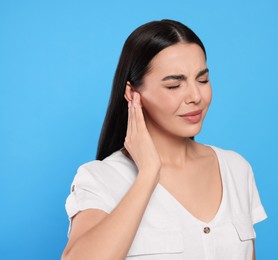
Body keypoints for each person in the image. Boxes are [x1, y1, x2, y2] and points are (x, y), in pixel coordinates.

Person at [62, 19, 267, 260]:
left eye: (202, 80)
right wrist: (148, 173)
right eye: (174, 85)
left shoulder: (236, 168)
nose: (195, 96)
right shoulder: (101, 178)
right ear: (132, 93)